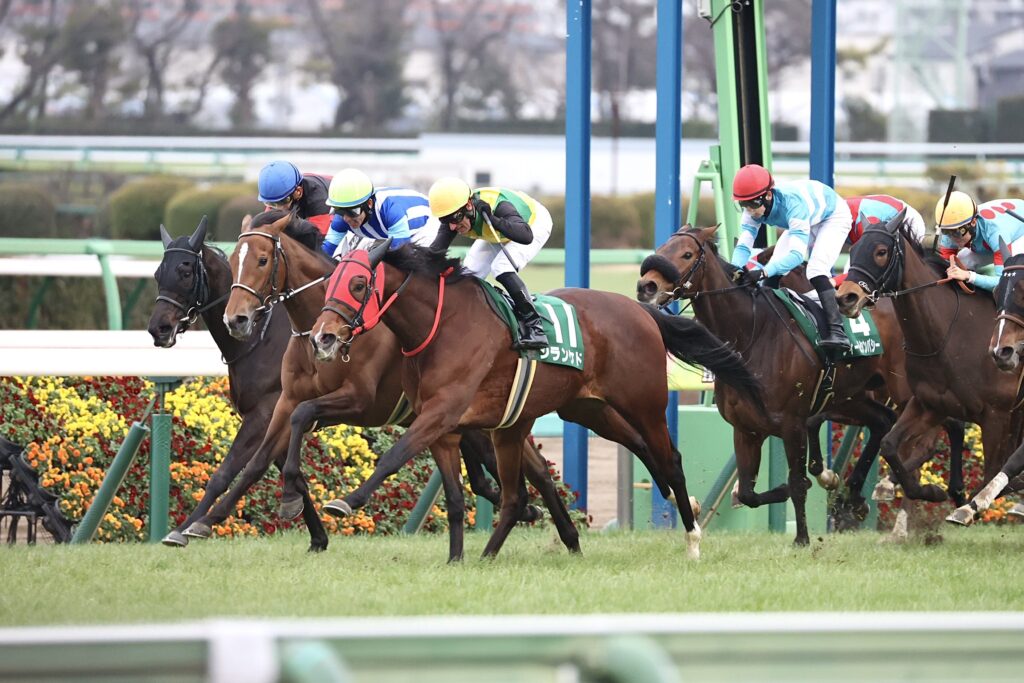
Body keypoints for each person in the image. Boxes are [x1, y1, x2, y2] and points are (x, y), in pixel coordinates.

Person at [731, 163, 853, 353]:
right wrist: (734, 270)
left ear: (768, 195)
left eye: (753, 204)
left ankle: (838, 332)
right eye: (743, 204)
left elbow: (796, 256)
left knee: (816, 270)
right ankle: (767, 323)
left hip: (833, 217)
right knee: (775, 266)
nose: (749, 210)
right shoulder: (751, 210)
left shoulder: (792, 204)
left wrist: (762, 273)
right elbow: (743, 246)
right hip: (809, 217)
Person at [427, 177, 551, 351]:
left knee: (501, 267)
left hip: (532, 224)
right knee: (468, 274)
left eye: (455, 218)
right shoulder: (453, 218)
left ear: (469, 205)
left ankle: (535, 327)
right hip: (500, 231)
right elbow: (433, 254)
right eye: (445, 220)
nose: (452, 227)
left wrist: (492, 219)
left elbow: (525, 236)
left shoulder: (499, 205)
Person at [322, 168, 441, 257]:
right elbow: (325, 253)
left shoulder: (391, 211)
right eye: (339, 211)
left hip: (425, 227)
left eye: (352, 211)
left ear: (369, 203)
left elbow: (401, 255)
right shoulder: (341, 219)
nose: (346, 218)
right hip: (386, 232)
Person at [938, 191, 1024, 291]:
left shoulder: (996, 233)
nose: (952, 238)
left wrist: (969, 276)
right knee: (960, 262)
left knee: (1013, 285)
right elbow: (943, 265)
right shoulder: (951, 225)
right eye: (946, 232)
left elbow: (1003, 281)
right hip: (990, 240)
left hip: (1019, 237)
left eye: (958, 232)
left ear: (973, 222)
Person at [256, 160, 333, 236]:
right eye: (270, 203)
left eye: (282, 201)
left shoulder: (318, 199)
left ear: (298, 192)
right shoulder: (275, 198)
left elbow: (318, 239)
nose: (278, 209)